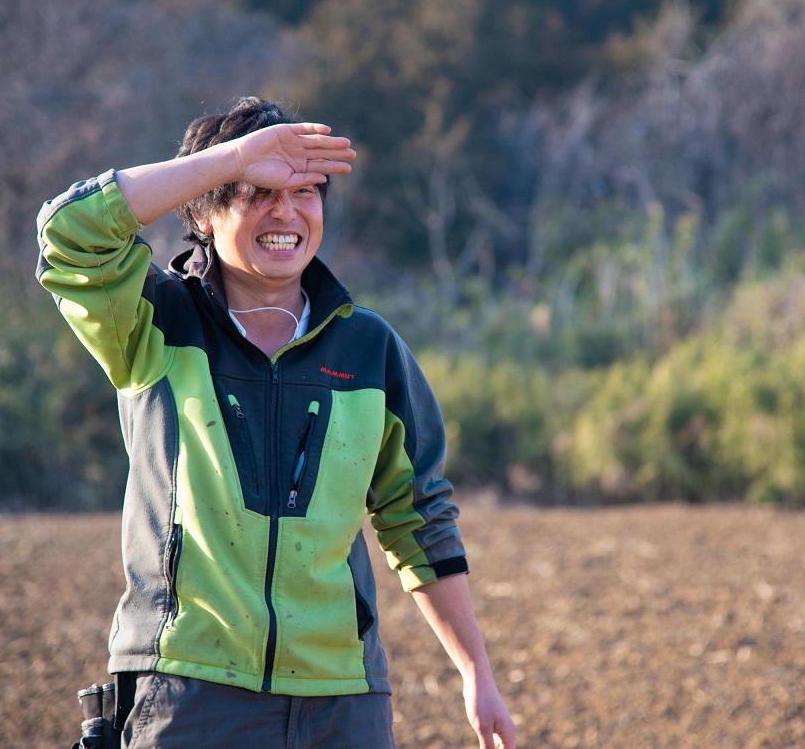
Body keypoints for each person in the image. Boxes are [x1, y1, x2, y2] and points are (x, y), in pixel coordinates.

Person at [36, 97, 515, 749]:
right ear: (202, 210)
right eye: (257, 191)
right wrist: (228, 157)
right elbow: (70, 234)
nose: (286, 212)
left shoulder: (369, 349)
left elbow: (419, 516)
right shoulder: (152, 324)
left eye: (305, 192)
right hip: (189, 689)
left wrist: (475, 673)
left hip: (344, 702)